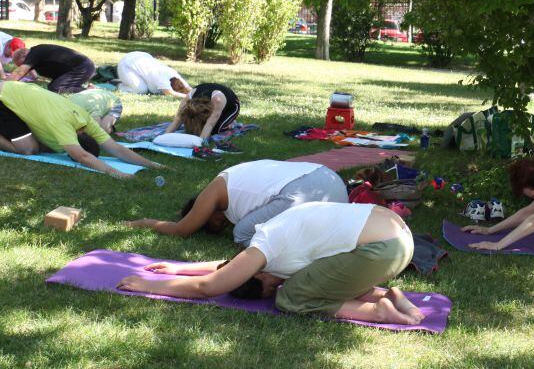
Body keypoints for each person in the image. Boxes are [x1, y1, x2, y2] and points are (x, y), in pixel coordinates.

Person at [117, 202, 424, 325]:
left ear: (258, 272)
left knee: (292, 297)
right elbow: (230, 266)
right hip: (397, 235)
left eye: (267, 286)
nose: (276, 284)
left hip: (383, 249)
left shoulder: (265, 249)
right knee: (318, 279)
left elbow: (207, 287)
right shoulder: (265, 246)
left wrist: (148, 285)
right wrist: (179, 268)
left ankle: (377, 312)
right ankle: (389, 295)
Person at [0, 80, 161, 179]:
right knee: (29, 149)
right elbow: (83, 157)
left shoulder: (86, 121)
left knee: (44, 146)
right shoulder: (64, 126)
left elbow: (116, 148)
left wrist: (154, 165)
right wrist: (119, 174)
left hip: (9, 91)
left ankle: (0, 131)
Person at [126, 159, 348, 246]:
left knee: (242, 233)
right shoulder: (234, 177)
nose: (223, 223)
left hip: (306, 192)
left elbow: (180, 230)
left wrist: (145, 222)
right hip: (331, 181)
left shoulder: (211, 193)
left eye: (214, 223)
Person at [161, 82, 240, 141]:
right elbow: (178, 119)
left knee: (215, 130)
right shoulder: (188, 98)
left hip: (232, 106)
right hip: (211, 99)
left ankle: (230, 122)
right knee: (192, 128)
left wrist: (200, 142)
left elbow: (210, 124)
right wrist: (164, 136)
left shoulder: (217, 100)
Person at [9, 43, 95, 94]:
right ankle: (82, 88)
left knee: (56, 88)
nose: (22, 66)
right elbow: (25, 72)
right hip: (80, 67)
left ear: (24, 56)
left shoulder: (34, 53)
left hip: (83, 67)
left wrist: (5, 84)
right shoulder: (35, 57)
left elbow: (20, 72)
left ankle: (89, 91)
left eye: (21, 64)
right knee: (52, 86)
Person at [116, 51, 191, 98]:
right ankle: (120, 86)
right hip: (126, 65)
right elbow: (170, 93)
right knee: (141, 90)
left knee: (146, 85)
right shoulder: (162, 78)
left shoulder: (174, 74)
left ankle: (129, 81)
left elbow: (188, 87)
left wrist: (193, 93)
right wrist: (187, 96)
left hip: (141, 57)